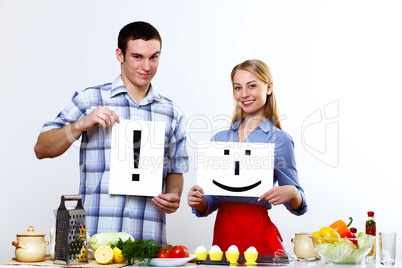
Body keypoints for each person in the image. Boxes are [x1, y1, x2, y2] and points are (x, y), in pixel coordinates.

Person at [34, 21, 189, 244]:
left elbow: (175, 169)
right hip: (96, 240)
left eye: (153, 57)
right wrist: (80, 124)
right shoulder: (91, 99)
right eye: (137, 57)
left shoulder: (172, 112)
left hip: (148, 242)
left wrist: (174, 195)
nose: (146, 66)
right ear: (120, 55)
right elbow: (41, 148)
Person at [187, 59, 307, 255]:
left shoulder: (280, 139)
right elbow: (212, 200)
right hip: (224, 238)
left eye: (252, 85)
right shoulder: (220, 139)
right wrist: (198, 200)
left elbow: (298, 204)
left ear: (268, 88)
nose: (244, 94)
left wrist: (293, 193)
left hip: (260, 238)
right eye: (238, 87)